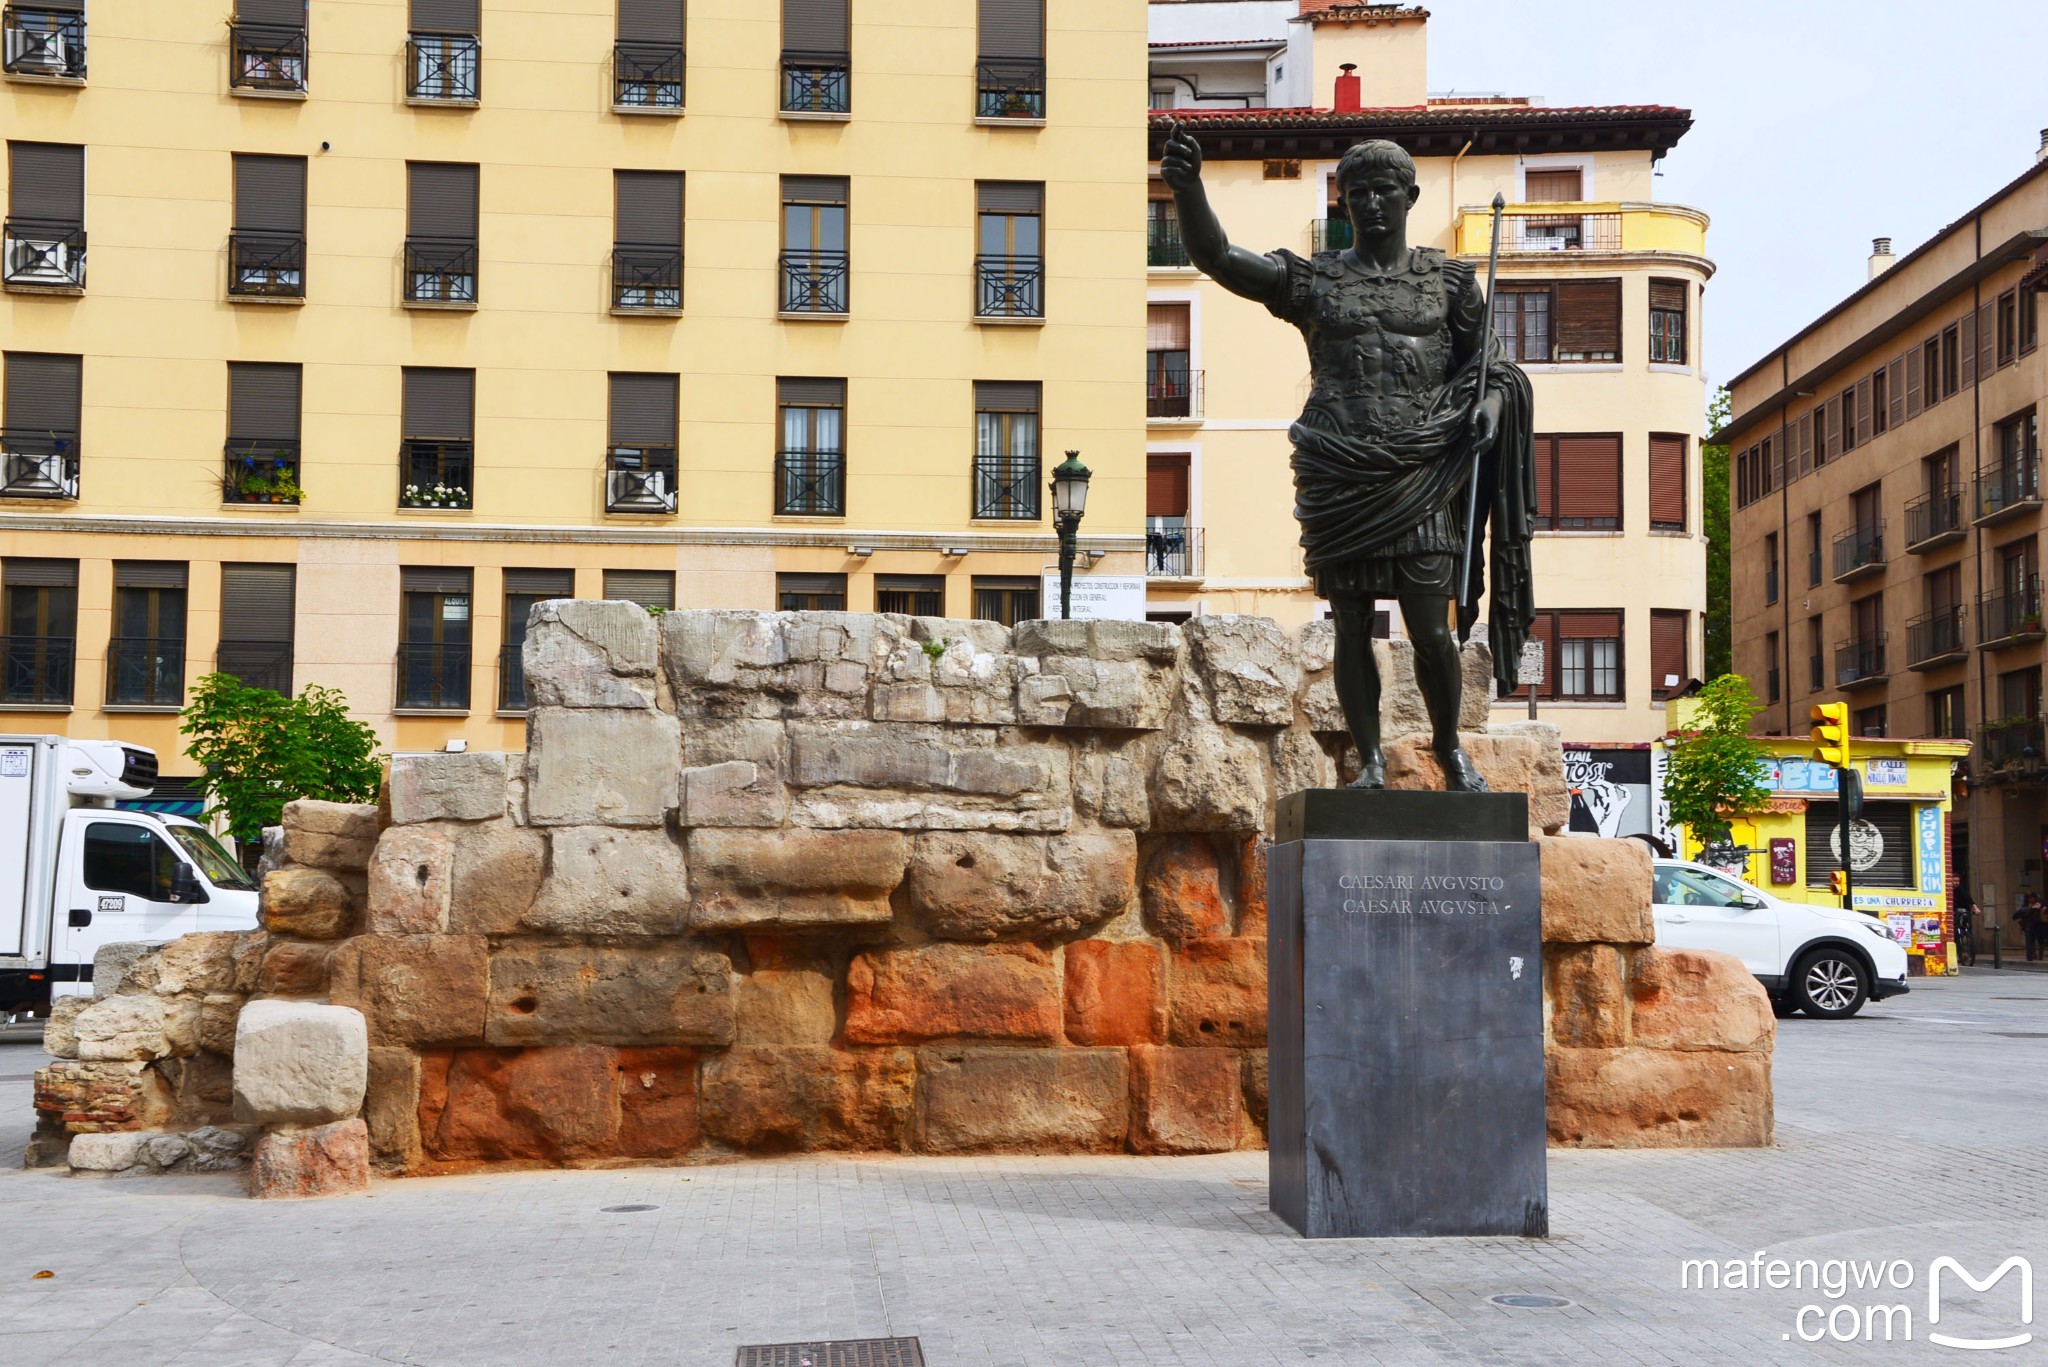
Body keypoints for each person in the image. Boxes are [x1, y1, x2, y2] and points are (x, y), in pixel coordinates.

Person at [1158, 127, 1536, 791]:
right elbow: (1218, 257)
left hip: (1420, 472)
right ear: (1342, 201)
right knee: (1351, 623)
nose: (1371, 203)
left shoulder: (1448, 281)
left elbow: (1492, 366)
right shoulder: (1316, 280)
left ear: (1410, 197)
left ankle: (1450, 748)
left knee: (1430, 628)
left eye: (1384, 191)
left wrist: (1491, 406)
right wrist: (1187, 190)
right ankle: (1369, 762)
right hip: (1340, 467)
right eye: (1357, 193)